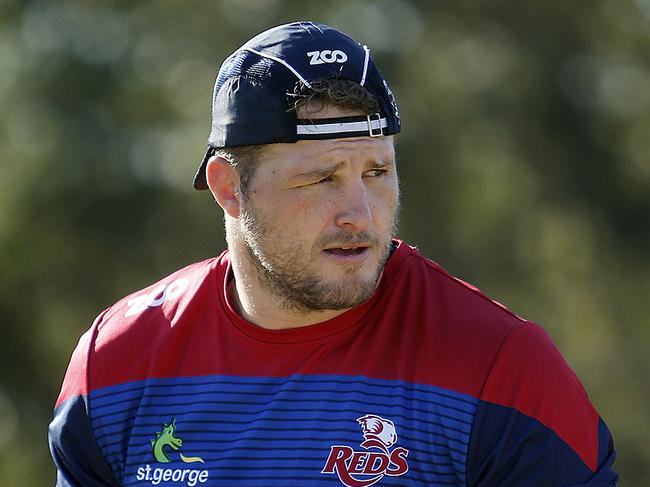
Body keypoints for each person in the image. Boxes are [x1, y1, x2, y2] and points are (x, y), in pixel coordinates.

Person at [48, 21, 618, 487]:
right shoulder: (116, 366)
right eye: (321, 179)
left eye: (377, 172)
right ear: (228, 189)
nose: (361, 214)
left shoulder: (503, 371)